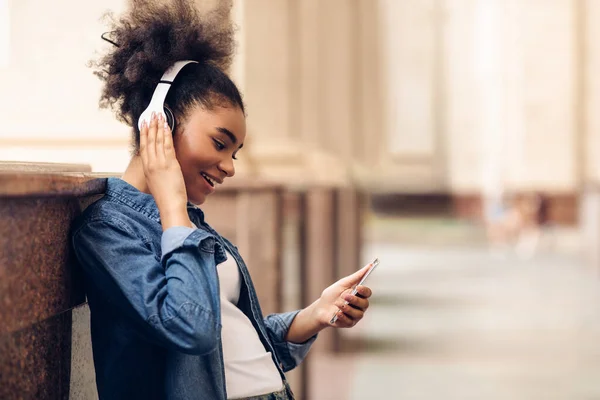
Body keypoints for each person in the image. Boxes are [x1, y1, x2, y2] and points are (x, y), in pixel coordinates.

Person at [70, 1, 372, 399]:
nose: (229, 167)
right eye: (219, 143)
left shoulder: (189, 225)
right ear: (157, 122)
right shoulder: (109, 229)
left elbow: (230, 347)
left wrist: (313, 315)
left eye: (236, 152)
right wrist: (173, 206)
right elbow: (190, 328)